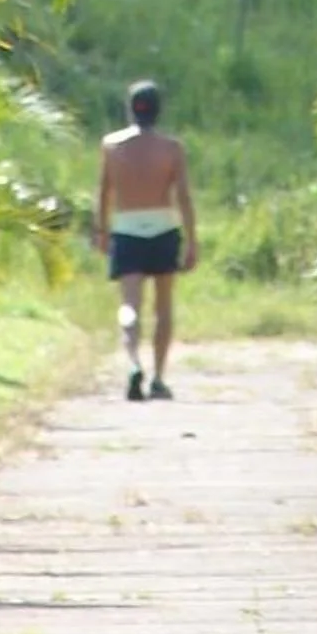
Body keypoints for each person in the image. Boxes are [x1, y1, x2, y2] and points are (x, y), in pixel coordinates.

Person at [94, 79, 197, 400]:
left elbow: (104, 191)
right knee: (163, 306)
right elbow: (182, 196)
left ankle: (132, 361)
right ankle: (159, 377)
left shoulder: (112, 146)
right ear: (159, 110)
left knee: (129, 304)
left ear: (130, 108)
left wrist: (101, 229)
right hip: (164, 228)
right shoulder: (171, 148)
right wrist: (192, 239)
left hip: (126, 228)